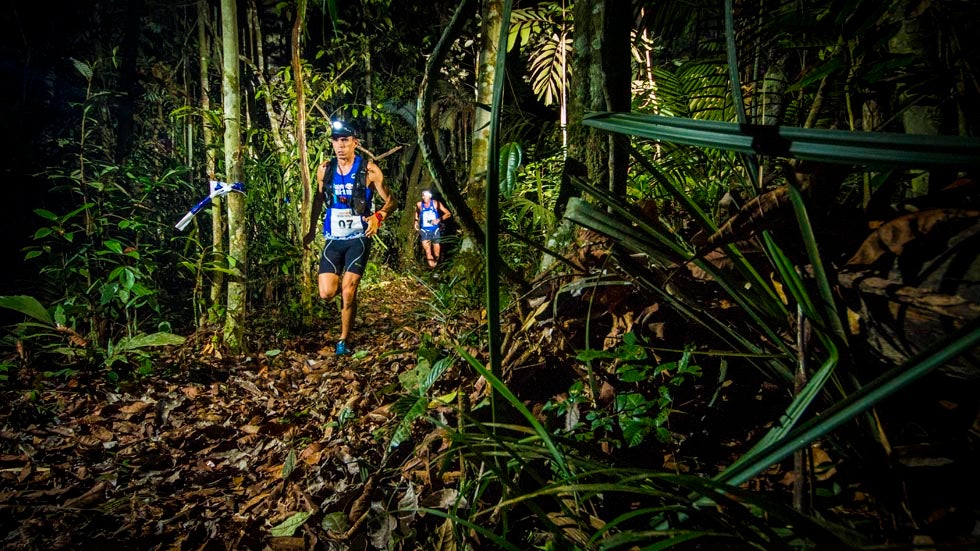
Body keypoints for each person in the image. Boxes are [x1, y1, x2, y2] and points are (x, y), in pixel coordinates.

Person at [303, 120, 396, 355]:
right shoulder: (325, 169)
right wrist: (311, 230)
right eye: (336, 141)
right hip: (334, 237)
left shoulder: (369, 170)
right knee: (326, 293)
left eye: (345, 140)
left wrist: (378, 216)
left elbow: (391, 201)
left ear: (355, 142)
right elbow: (319, 199)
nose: (340, 146)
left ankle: (343, 340)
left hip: (359, 236)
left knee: (348, 290)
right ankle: (350, 303)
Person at [414, 188, 451, 268]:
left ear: (430, 196)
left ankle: (436, 265)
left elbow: (448, 213)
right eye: (422, 195)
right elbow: (417, 212)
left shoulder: (435, 203)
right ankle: (433, 267)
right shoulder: (419, 204)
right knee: (428, 251)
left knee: (436, 252)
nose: (423, 197)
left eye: (425, 195)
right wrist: (416, 221)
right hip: (424, 230)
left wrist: (438, 220)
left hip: (435, 230)